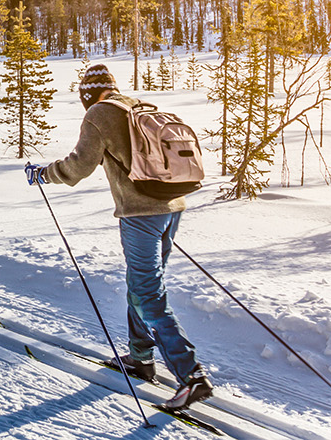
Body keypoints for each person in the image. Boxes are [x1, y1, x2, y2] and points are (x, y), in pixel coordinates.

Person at [25, 63, 212, 411]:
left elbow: (79, 166)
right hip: (171, 208)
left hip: (141, 215)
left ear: (86, 95)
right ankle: (140, 357)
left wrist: (43, 175)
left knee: (147, 292)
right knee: (141, 285)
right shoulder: (137, 105)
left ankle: (191, 376)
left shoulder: (99, 113)